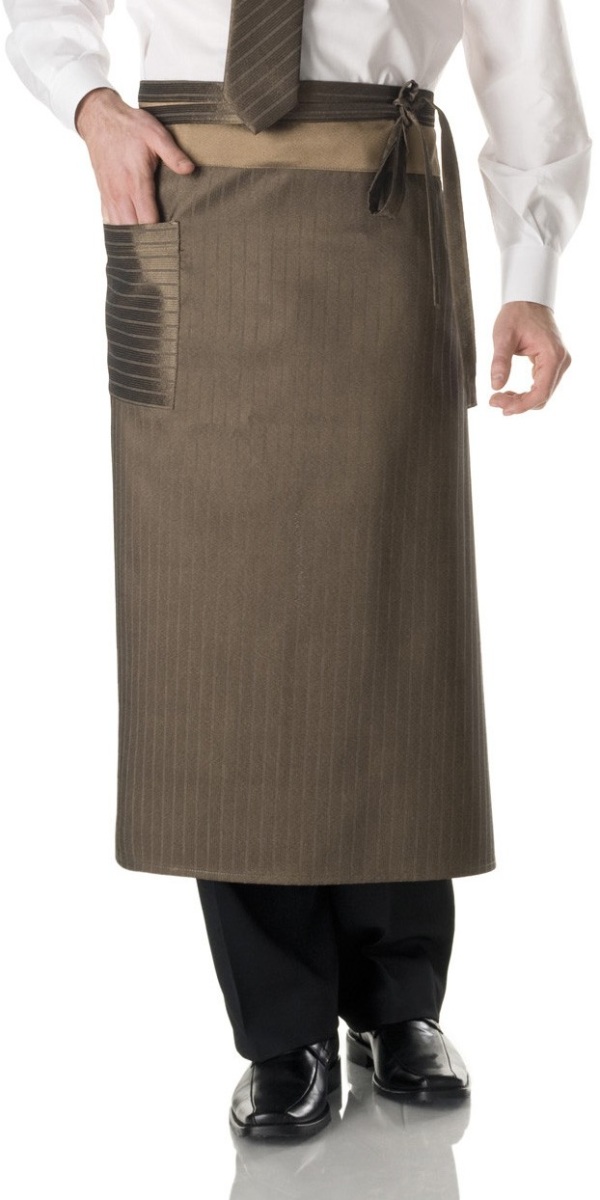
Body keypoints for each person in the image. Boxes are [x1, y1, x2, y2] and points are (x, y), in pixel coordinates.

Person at [3, 0, 591, 1142]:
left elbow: (520, 31)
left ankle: (399, 1002)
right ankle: (281, 1030)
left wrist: (531, 268)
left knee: (391, 610)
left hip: (379, 213)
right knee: (218, 621)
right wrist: (89, 104)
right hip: (182, 212)